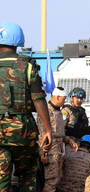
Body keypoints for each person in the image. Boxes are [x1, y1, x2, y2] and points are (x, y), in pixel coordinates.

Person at [0, 22, 52, 191]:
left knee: (2, 178)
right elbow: (39, 99)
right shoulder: (28, 66)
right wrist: (48, 129)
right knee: (28, 175)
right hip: (23, 132)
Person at [36, 87, 78, 192]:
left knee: (58, 179)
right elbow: (42, 135)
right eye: (63, 99)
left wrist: (69, 141)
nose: (64, 101)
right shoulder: (46, 111)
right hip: (50, 152)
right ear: (57, 97)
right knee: (51, 181)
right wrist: (43, 154)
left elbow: (59, 134)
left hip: (58, 151)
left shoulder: (58, 112)